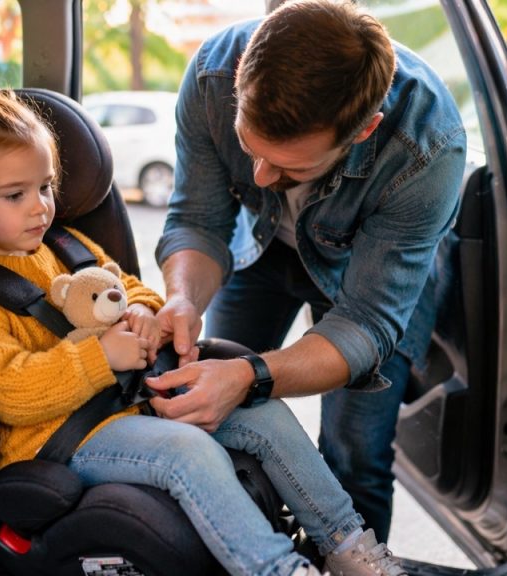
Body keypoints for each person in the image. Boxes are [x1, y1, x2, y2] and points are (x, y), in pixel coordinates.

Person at [0, 82, 409, 576]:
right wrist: (100, 357)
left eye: (44, 187)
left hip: (130, 404)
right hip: (59, 439)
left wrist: (145, 313)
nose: (39, 206)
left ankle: (348, 548)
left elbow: (129, 288)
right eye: (14, 195)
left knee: (264, 413)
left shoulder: (64, 245)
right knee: (187, 452)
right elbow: (10, 392)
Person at [149, 0, 466, 543]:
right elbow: (199, 221)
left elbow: (365, 322)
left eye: (293, 166)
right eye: (249, 146)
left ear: (364, 130)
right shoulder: (211, 75)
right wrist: (182, 299)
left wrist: (251, 376)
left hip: (370, 274)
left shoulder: (428, 147)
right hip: (263, 248)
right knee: (207, 415)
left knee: (354, 453)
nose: (261, 175)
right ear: (245, 71)